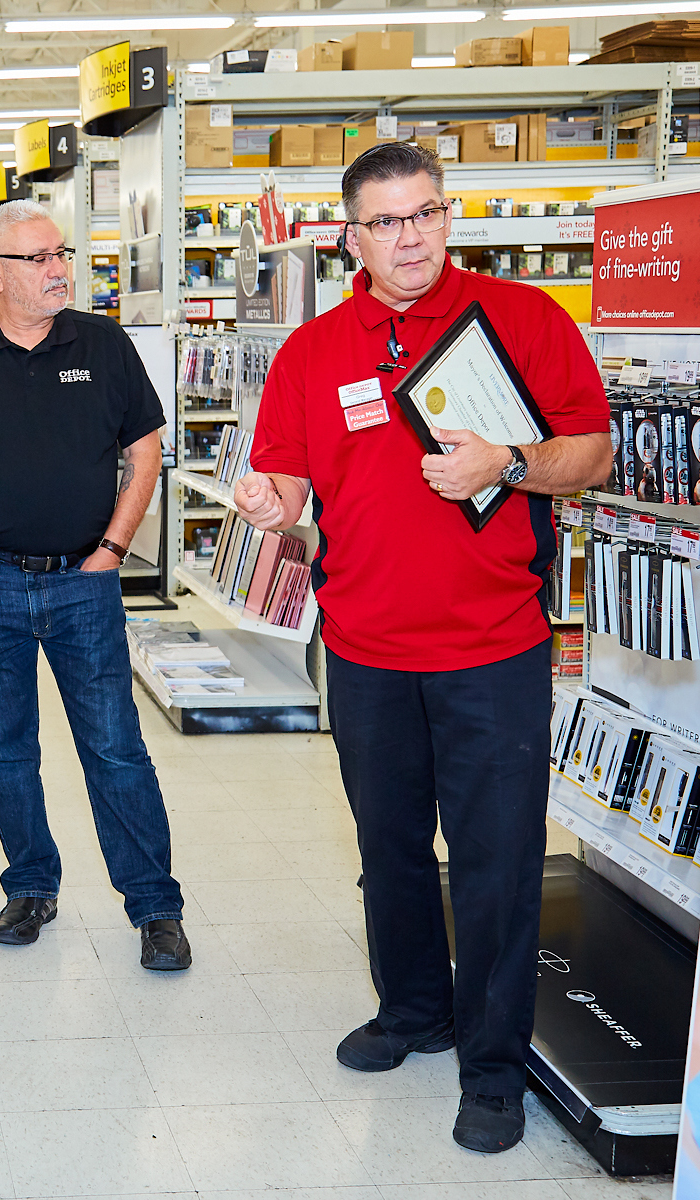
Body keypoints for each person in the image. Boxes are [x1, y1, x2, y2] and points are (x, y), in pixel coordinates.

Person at [234, 142, 611, 1154]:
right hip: (363, 648)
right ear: (351, 236)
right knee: (388, 850)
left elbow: (592, 450)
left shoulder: (524, 322)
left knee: (495, 864)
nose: (411, 239)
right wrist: (271, 501)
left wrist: (512, 462)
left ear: (449, 217)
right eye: (388, 223)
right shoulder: (314, 351)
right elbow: (287, 484)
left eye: (427, 215)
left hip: (494, 648)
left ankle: (491, 1069)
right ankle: (413, 1012)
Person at [0, 199, 189, 970]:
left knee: (115, 747)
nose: (59, 268)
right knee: (4, 750)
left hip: (84, 583)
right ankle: (31, 885)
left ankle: (155, 906)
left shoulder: (102, 343)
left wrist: (113, 548)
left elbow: (145, 449)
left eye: (60, 253)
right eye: (36, 259)